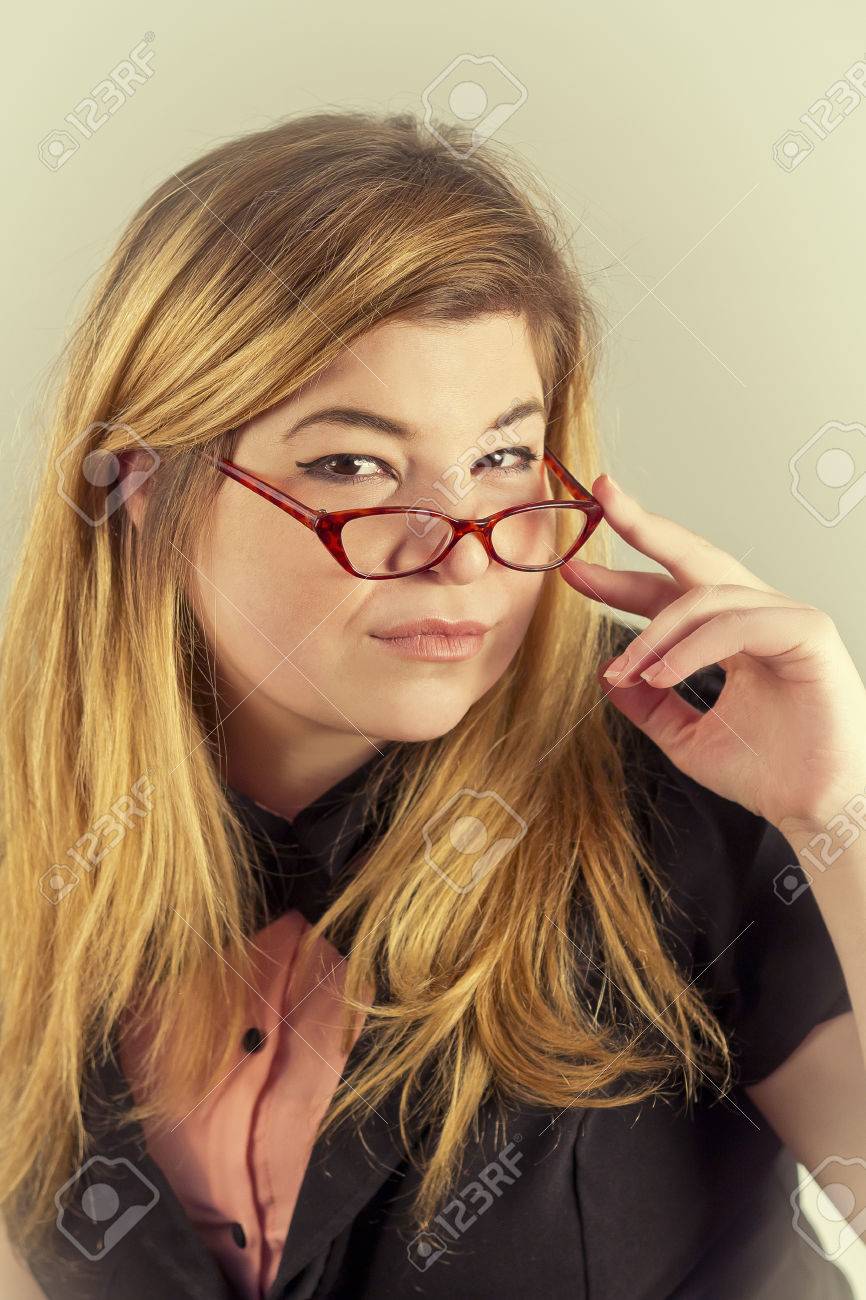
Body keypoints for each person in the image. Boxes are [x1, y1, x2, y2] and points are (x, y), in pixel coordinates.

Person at [1, 108, 864, 1300]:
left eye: (504, 458)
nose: (459, 553)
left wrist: (839, 815)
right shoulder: (32, 832)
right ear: (144, 483)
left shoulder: (695, 768)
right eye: (352, 464)